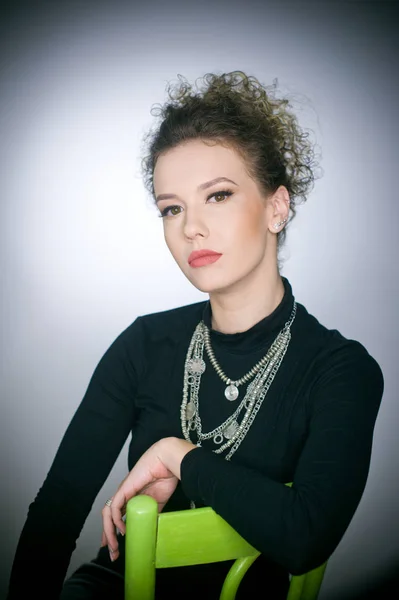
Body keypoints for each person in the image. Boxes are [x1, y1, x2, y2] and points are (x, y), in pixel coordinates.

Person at [7, 71, 384, 600]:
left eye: (219, 196)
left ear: (277, 207)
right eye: (172, 208)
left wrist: (177, 455)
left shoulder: (341, 370)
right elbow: (58, 510)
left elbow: (305, 536)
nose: (190, 229)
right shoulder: (144, 344)